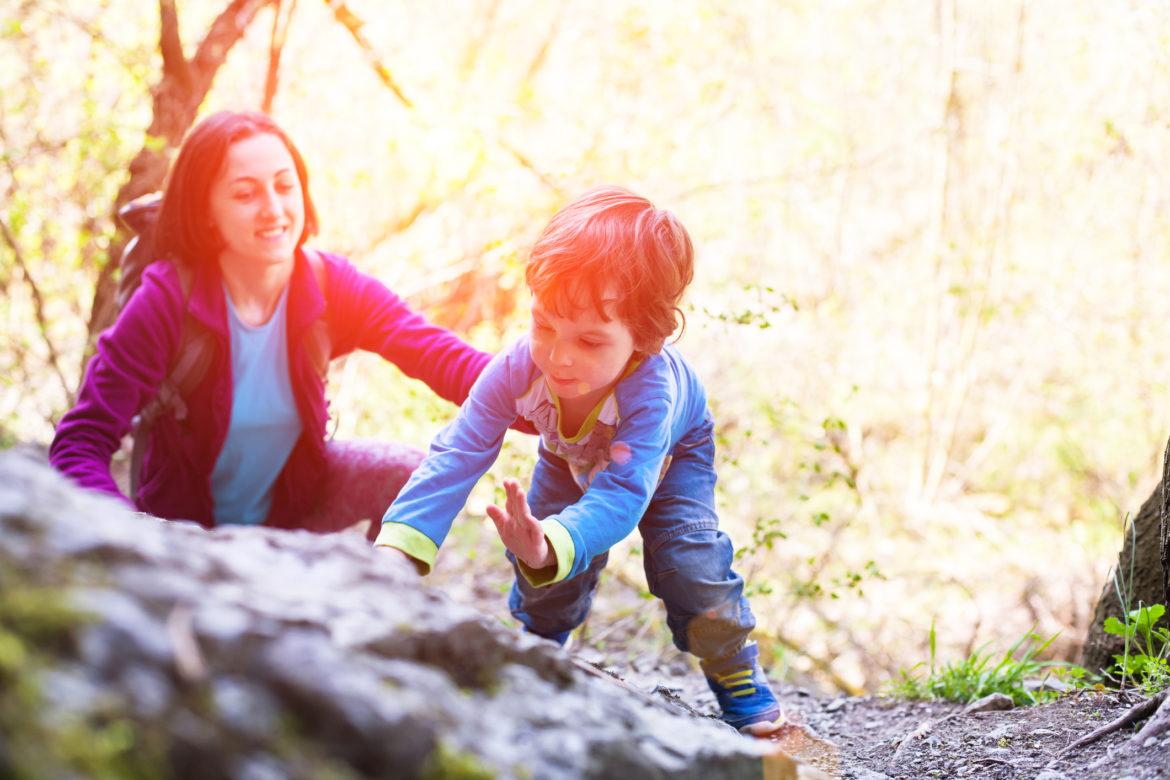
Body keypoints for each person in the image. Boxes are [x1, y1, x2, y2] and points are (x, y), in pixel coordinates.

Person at [375, 185, 785, 734]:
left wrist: (555, 540)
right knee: (545, 566)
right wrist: (398, 550)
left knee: (688, 563)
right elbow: (460, 449)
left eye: (590, 342)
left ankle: (735, 670)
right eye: (544, 325)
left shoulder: (650, 393)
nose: (559, 358)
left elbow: (620, 494)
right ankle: (537, 646)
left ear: (643, 339)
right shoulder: (519, 368)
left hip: (666, 459)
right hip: (568, 456)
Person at [50, 110, 500, 539]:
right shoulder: (169, 299)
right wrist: (130, 538)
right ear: (206, 209)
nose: (274, 209)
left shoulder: (330, 285)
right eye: (245, 194)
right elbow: (80, 441)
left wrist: (559, 393)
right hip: (183, 537)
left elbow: (445, 360)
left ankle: (369, 610)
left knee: (409, 474)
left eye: (285, 186)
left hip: (294, 514)